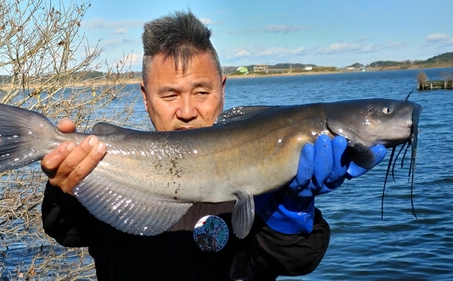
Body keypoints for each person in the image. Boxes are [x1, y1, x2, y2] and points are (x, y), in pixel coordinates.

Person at [41, 11, 385, 281]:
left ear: (222, 89)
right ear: (146, 99)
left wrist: (294, 205)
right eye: (169, 94)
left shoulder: (268, 175)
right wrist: (67, 190)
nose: (187, 111)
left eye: (202, 92)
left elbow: (296, 261)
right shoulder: (111, 166)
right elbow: (68, 231)